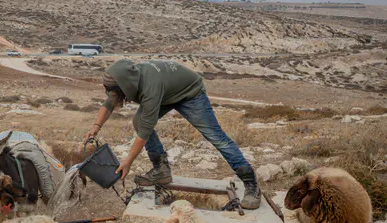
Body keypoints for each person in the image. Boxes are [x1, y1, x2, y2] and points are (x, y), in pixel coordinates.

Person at [84, 59, 262, 209]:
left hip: (190, 93)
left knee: (216, 138)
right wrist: (96, 127)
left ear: (124, 85)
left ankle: (250, 182)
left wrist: (128, 162)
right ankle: (161, 170)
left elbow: (144, 133)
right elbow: (109, 103)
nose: (112, 94)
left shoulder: (149, 88)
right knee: (138, 121)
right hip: (167, 93)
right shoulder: (128, 78)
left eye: (114, 91)